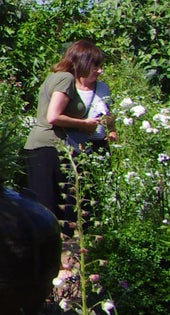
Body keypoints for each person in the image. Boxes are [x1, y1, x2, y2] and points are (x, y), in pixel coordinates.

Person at [23, 40, 116, 218]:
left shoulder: (55, 76)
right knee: (52, 210)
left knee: (45, 208)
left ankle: (53, 243)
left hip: (42, 145)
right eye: (95, 65)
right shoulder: (66, 79)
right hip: (49, 145)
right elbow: (53, 116)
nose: (100, 71)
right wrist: (85, 124)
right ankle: (60, 244)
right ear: (83, 62)